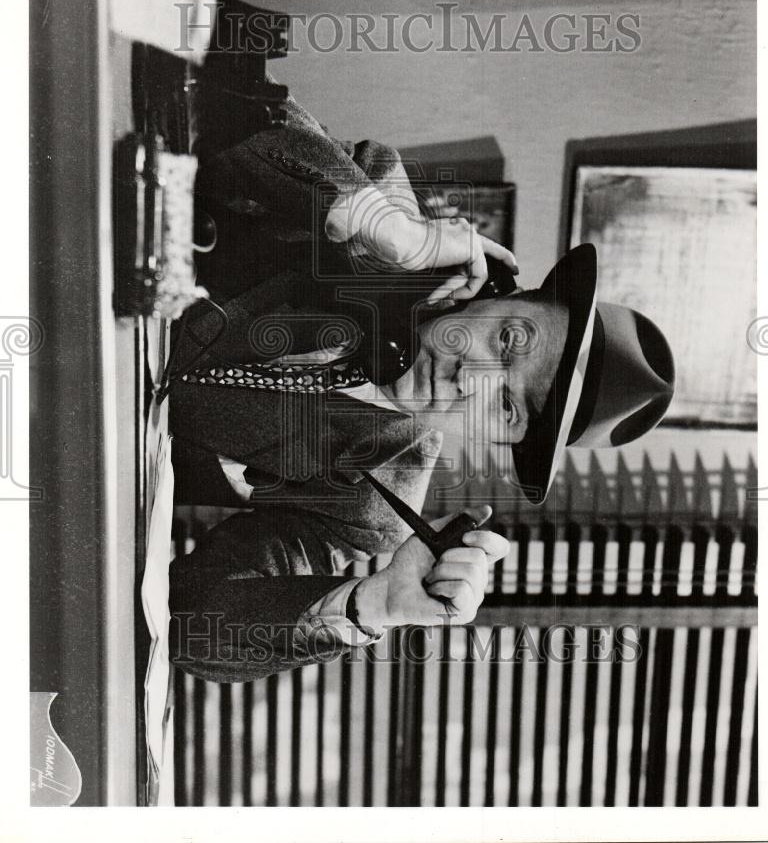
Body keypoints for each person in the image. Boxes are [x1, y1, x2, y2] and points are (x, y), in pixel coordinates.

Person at [168, 94, 675, 682]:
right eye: (509, 340)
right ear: (500, 289)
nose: (472, 378)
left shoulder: (370, 501)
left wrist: (369, 605)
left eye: (507, 407)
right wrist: (378, 227)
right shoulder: (379, 210)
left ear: (498, 445)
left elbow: (188, 627)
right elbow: (215, 88)